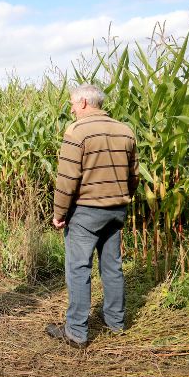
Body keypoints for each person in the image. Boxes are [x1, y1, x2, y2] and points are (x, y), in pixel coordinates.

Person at [47, 84, 138, 349]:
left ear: (84, 102)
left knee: (78, 268)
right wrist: (123, 197)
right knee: (112, 267)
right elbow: (134, 175)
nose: (72, 109)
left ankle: (75, 331)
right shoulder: (125, 130)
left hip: (86, 211)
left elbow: (67, 178)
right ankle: (116, 322)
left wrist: (59, 213)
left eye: (73, 104)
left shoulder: (77, 132)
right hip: (116, 210)